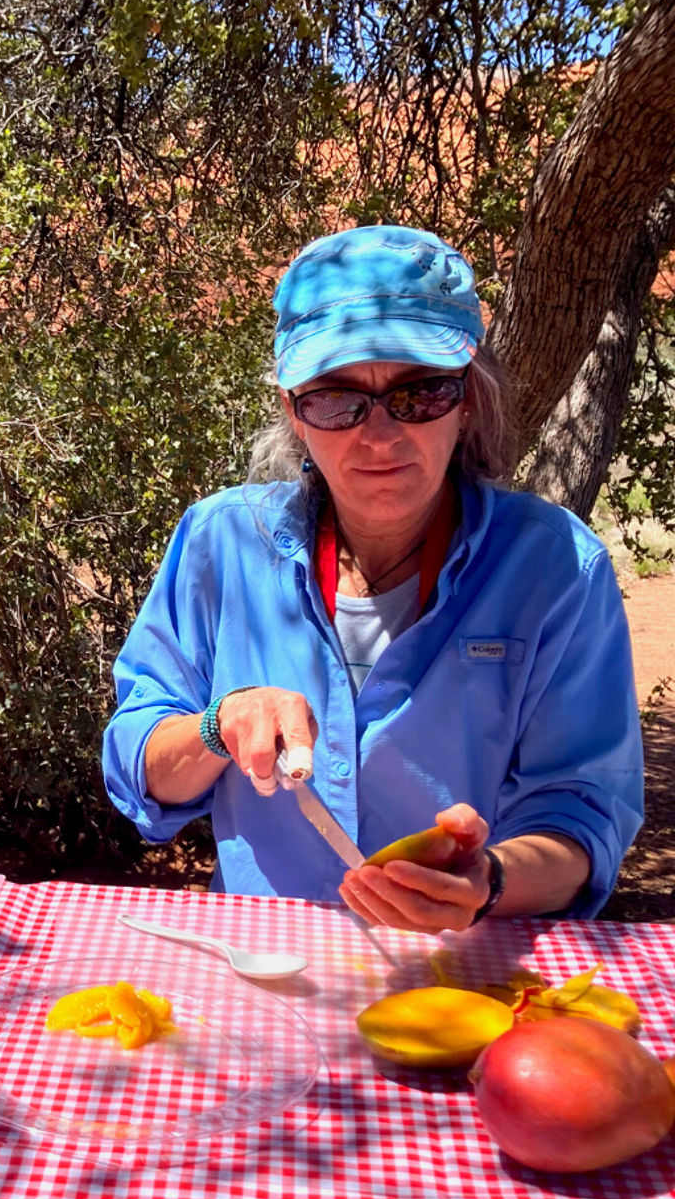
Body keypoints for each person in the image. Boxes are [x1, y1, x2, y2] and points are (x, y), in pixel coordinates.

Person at [101, 225, 643, 929]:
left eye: (420, 394)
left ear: (470, 397)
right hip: (268, 964)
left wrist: (492, 879)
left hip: (464, 975)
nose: (381, 435)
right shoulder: (220, 542)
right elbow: (138, 763)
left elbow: (583, 811)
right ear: (295, 413)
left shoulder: (557, 570)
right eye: (336, 399)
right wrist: (217, 724)